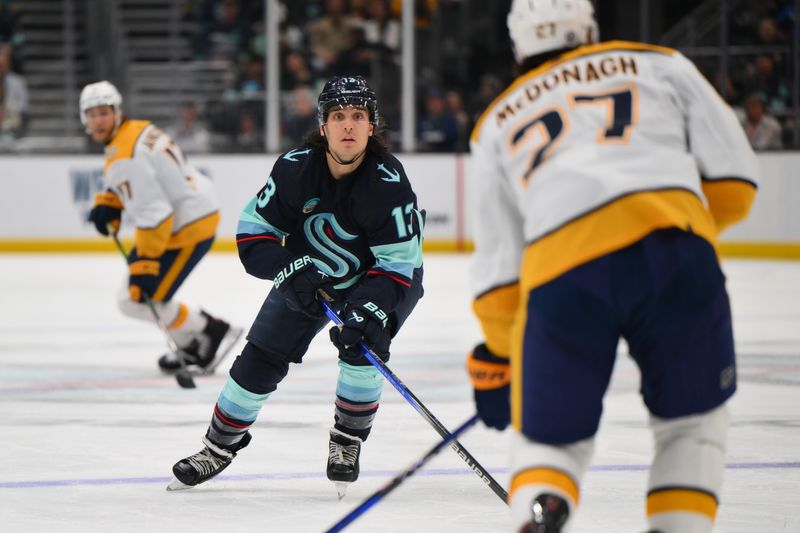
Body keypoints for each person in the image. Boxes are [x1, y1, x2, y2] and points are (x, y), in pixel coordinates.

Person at [466, 1, 759, 532]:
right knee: (692, 427)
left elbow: (499, 276)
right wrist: (673, 224)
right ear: (591, 28)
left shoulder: (496, 122)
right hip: (676, 253)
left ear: (517, 47)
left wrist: (498, 358)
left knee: (551, 443)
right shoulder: (660, 63)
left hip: (565, 276)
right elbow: (736, 185)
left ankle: (544, 505)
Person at [168, 76, 424, 497]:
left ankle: (347, 440)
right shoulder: (294, 168)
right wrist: (289, 267)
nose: (347, 126)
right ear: (322, 125)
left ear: (371, 126)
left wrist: (367, 310)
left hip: (379, 280)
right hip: (307, 275)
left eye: (357, 116)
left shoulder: (389, 183)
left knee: (363, 346)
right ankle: (218, 446)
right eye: (338, 116)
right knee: (261, 356)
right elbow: (253, 233)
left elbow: (399, 265)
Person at [81, 81, 242, 376]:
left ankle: (210, 331)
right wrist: (112, 200)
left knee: (136, 299)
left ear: (117, 112)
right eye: (92, 114)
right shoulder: (134, 131)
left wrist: (147, 261)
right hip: (190, 214)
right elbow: (150, 180)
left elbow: (154, 213)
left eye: (103, 112)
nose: (98, 120)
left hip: (187, 225)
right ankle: (193, 339)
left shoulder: (123, 153)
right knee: (139, 295)